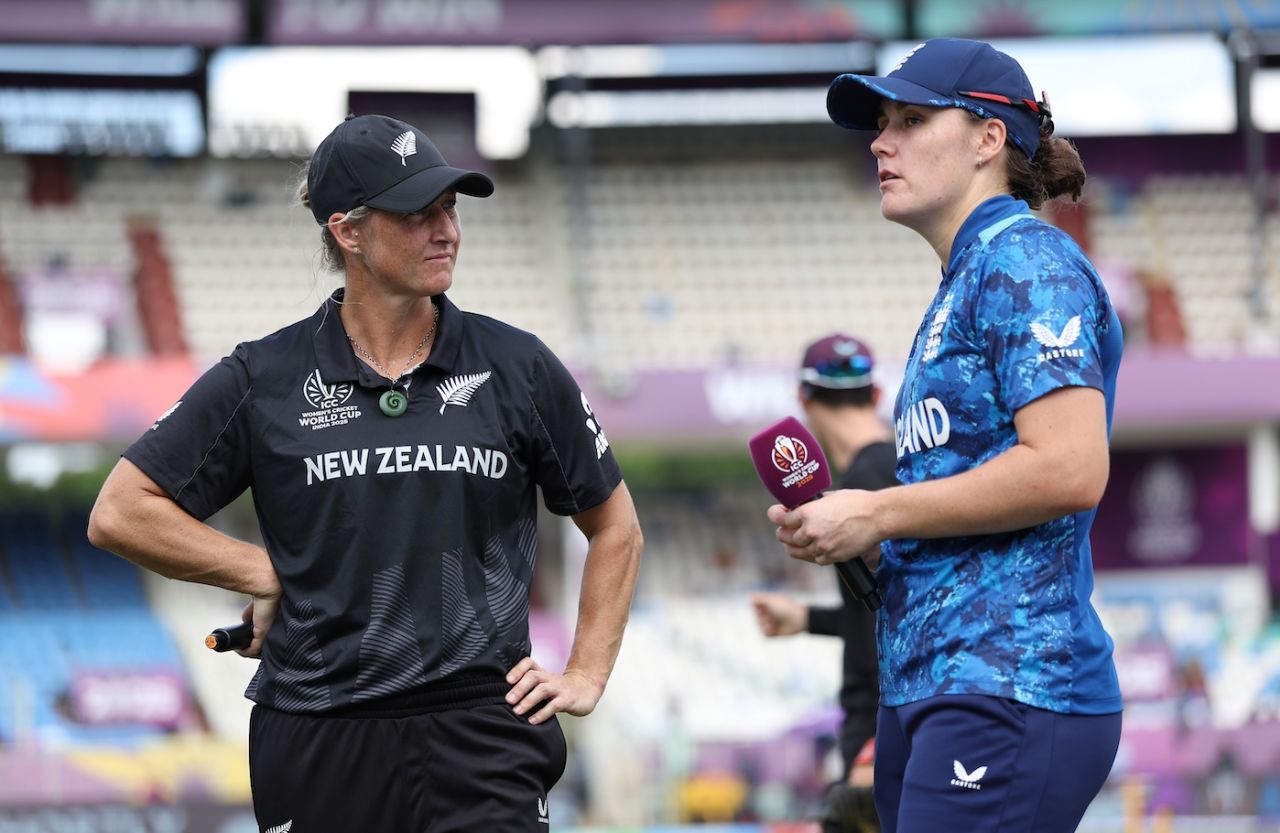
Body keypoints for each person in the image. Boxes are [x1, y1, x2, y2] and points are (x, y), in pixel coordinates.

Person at [88, 113, 643, 833]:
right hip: (319, 736)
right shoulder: (264, 376)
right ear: (348, 231)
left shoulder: (521, 367)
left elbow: (616, 526)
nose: (447, 229)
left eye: (451, 207)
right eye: (419, 212)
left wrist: (586, 672)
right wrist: (260, 571)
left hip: (483, 736)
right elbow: (121, 509)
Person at [767, 39, 1124, 833]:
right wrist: (865, 538)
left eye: (913, 119)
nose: (880, 141)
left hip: (1010, 681)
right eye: (883, 121)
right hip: (939, 681)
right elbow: (969, 507)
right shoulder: (966, 277)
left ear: (988, 140)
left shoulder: (1025, 262)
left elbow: (1068, 468)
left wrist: (880, 512)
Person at [751, 334, 895, 832]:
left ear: (803, 400)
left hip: (885, 723)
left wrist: (880, 742)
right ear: (876, 394)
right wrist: (806, 618)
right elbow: (890, 606)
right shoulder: (901, 469)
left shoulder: (861, 491)